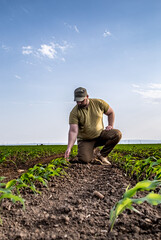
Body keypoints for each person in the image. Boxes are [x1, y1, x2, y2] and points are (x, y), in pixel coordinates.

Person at [64, 87, 122, 164]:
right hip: (86, 140)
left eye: (81, 100)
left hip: (100, 135)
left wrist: (110, 125)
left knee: (117, 134)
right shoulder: (74, 112)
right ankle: (89, 151)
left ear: (87, 96)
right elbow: (73, 131)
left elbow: (111, 112)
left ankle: (102, 155)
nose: (79, 103)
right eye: (77, 101)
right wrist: (69, 148)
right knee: (85, 160)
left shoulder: (99, 103)